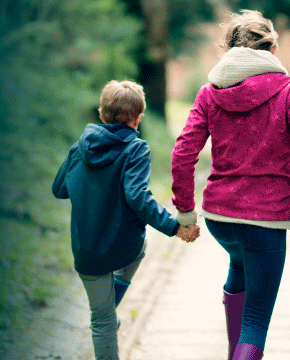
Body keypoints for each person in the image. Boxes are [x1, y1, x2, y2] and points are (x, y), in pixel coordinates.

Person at [171, 10, 290, 360]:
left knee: (239, 266)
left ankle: (234, 353)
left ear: (229, 48)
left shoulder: (208, 93)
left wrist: (185, 211)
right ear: (272, 48)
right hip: (266, 220)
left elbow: (183, 152)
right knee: (256, 320)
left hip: (220, 218)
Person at [52, 80, 200, 360]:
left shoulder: (79, 147)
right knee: (140, 247)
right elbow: (137, 196)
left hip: (87, 251)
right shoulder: (135, 149)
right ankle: (110, 309)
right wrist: (173, 227)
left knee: (101, 320)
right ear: (139, 117)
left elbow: (59, 188)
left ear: (100, 112)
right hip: (124, 248)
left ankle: (107, 311)